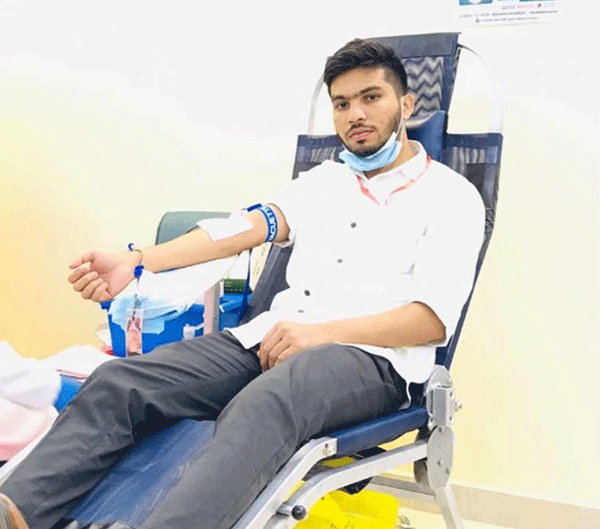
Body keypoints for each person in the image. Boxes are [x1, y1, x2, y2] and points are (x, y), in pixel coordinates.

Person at [0, 39, 485, 529]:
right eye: (342, 104)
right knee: (120, 382)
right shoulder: (323, 183)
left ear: (407, 105)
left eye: (371, 97)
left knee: (266, 404)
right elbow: (241, 229)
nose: (355, 114)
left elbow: (431, 321)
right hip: (270, 339)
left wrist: (318, 334)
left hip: (372, 360)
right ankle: (17, 511)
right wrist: (138, 261)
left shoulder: (451, 197)